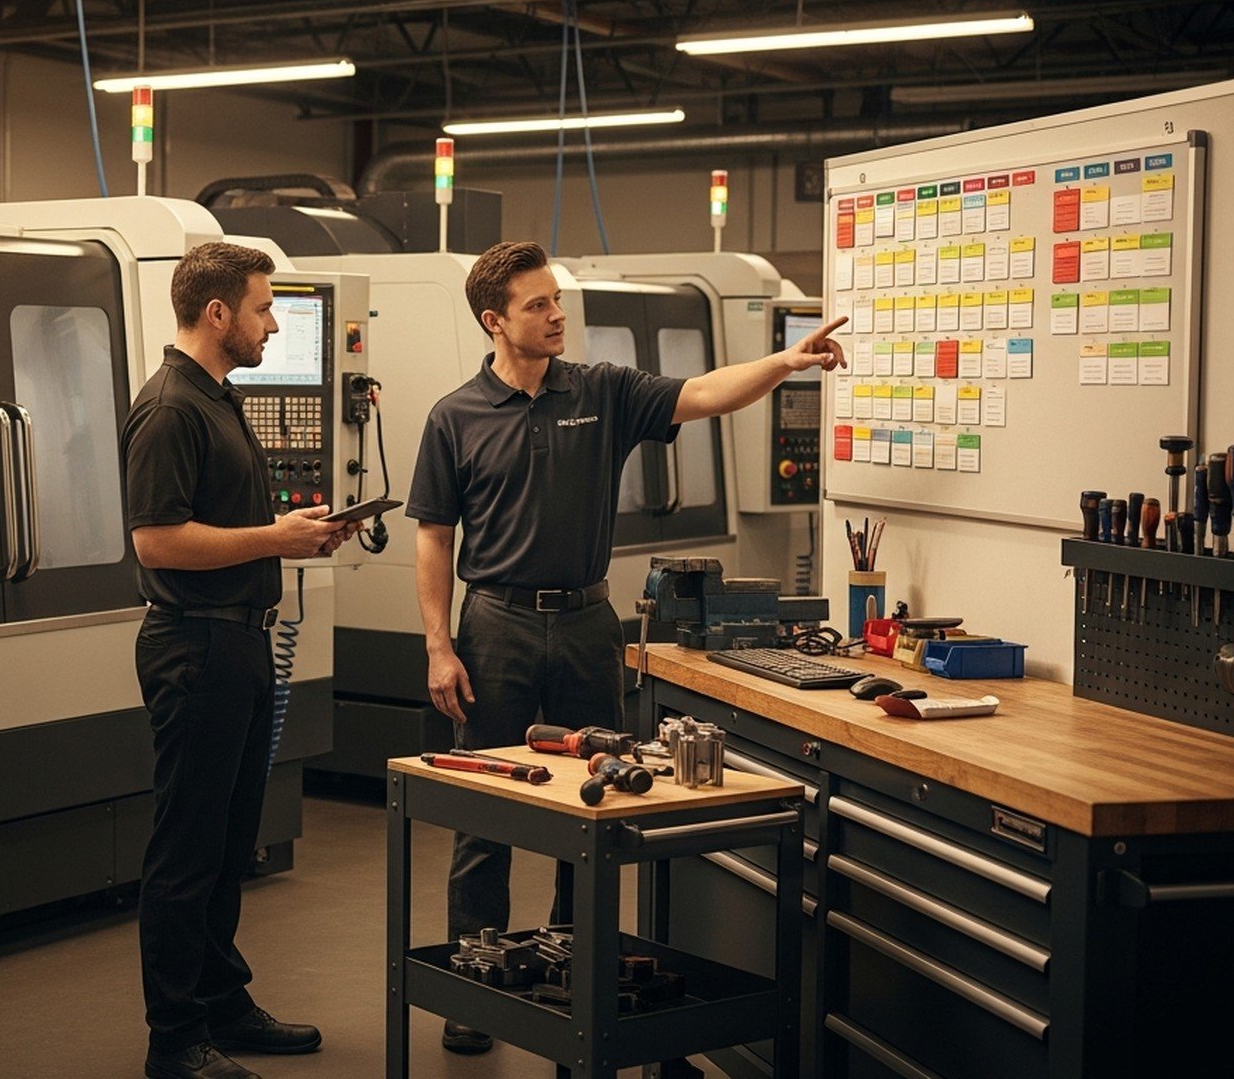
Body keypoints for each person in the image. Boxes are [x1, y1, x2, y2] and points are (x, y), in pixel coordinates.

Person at [407, 241, 846, 1055]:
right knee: (484, 808)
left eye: (555, 300)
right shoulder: (454, 415)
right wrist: (440, 645)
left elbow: (704, 393)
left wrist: (786, 363)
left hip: (586, 624)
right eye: (538, 305)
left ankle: (577, 966)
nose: (557, 315)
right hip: (495, 624)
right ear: (494, 320)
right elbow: (434, 537)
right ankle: (475, 978)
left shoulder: (602, 391)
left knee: (596, 802)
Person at [123, 241, 362, 1079]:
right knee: (186, 851)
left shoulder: (219, 399)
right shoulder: (170, 409)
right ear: (218, 312)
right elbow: (157, 541)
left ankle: (221, 1002)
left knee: (230, 845)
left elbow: (226, 524)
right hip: (196, 647)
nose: (273, 326)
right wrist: (275, 539)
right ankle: (174, 1039)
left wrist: (302, 534)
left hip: (240, 642)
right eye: (264, 309)